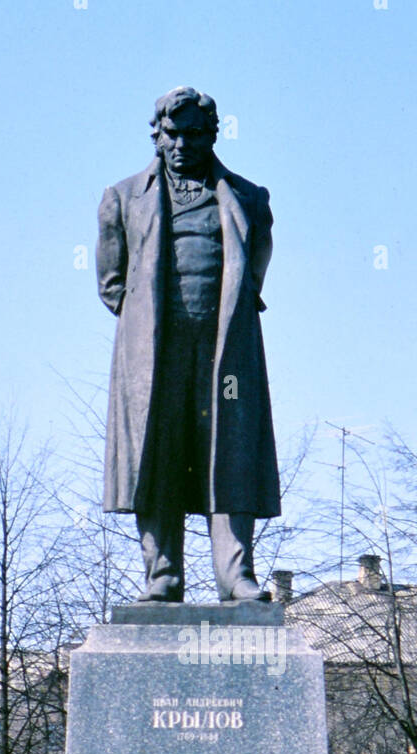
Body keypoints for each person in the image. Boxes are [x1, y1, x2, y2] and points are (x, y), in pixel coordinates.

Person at [95, 86, 281, 602]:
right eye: (172, 134)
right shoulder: (123, 196)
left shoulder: (247, 197)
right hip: (155, 353)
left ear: (212, 136)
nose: (182, 144)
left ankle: (235, 574)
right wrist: (146, 324)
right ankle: (163, 574)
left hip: (225, 348)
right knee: (158, 454)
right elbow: (112, 281)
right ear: (157, 135)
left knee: (232, 456)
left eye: (194, 134)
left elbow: (254, 269)